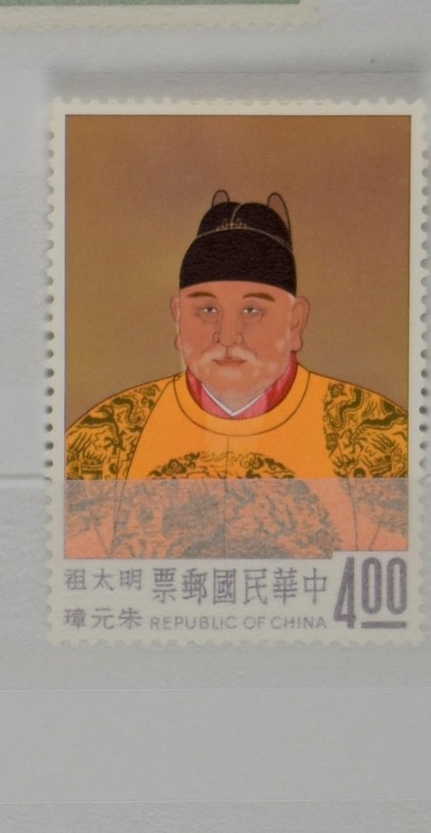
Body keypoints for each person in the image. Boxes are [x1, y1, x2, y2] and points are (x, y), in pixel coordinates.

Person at [64, 188, 408, 557]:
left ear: (295, 322)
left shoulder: (370, 432)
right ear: (178, 318)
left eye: (252, 311)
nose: (227, 337)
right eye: (207, 310)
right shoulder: (109, 436)